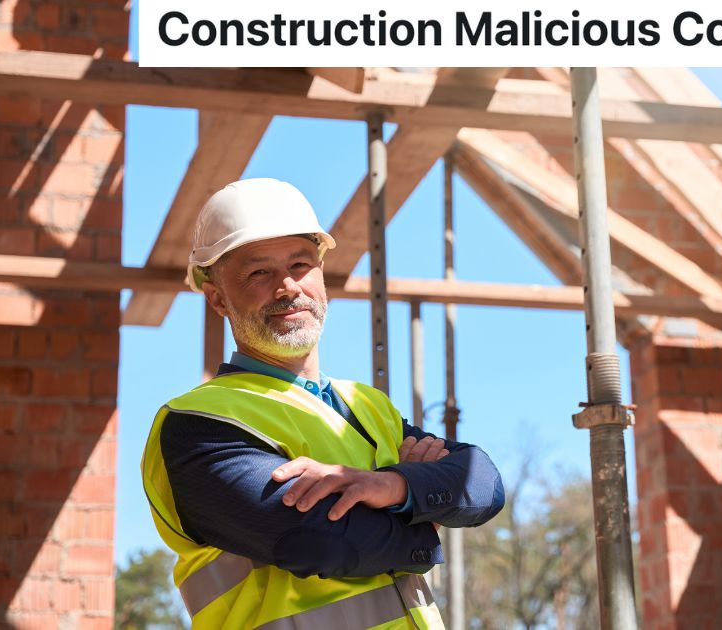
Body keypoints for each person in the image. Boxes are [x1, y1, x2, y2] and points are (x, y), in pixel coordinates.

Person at [141, 178, 504, 629]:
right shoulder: (198, 425)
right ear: (217, 297)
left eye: (300, 264)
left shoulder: (368, 406)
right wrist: (426, 522)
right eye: (259, 273)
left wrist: (392, 486)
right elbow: (319, 541)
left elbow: (483, 482)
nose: (287, 287)